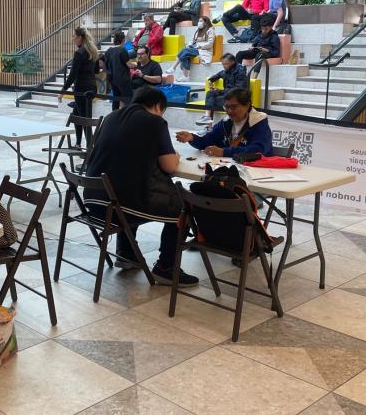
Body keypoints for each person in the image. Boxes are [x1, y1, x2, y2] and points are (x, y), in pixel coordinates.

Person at [83, 86, 199, 287]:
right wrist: (177, 156)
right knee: (184, 204)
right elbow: (170, 166)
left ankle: (126, 254)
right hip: (122, 207)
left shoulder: (110, 117)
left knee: (128, 184)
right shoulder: (154, 122)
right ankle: (166, 267)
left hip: (94, 201)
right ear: (157, 106)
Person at [178, 87, 273, 157]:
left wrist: (224, 152)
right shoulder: (226, 122)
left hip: (258, 171)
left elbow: (258, 150)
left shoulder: (259, 122)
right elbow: (207, 141)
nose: (229, 111)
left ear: (247, 105)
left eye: (234, 107)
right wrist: (192, 138)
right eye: (226, 107)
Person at [61, 27, 99, 145]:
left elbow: (73, 74)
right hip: (92, 87)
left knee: (85, 120)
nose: (72, 39)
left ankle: (90, 149)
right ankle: (78, 143)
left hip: (81, 89)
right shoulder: (92, 51)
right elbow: (97, 70)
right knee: (77, 114)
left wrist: (63, 90)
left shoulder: (79, 52)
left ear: (80, 38)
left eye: (74, 36)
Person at [198, 53, 248, 126]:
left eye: (226, 64)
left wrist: (220, 91)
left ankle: (208, 127)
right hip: (227, 94)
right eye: (223, 64)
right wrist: (210, 81)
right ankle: (207, 117)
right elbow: (217, 76)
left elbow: (238, 90)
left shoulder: (240, 72)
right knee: (210, 93)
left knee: (213, 100)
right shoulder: (226, 71)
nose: (224, 66)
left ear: (233, 62)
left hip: (237, 97)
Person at [103, 31, 134, 110]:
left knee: (116, 100)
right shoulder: (122, 50)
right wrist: (137, 64)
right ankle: (128, 118)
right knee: (128, 99)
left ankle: (115, 116)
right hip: (123, 79)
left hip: (112, 79)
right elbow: (130, 65)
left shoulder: (108, 51)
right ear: (123, 40)